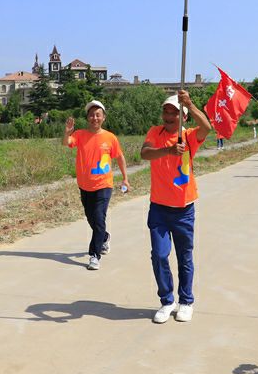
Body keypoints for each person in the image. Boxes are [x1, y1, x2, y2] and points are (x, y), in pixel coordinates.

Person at [140, 90, 211, 323]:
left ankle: (186, 301)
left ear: (183, 116)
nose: (169, 116)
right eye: (166, 112)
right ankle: (166, 301)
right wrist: (168, 151)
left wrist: (189, 103)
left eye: (174, 113)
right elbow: (145, 153)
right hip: (159, 207)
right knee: (159, 255)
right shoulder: (155, 132)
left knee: (184, 257)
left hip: (183, 208)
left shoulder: (189, 136)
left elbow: (207, 127)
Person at [63, 100, 129, 271]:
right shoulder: (80, 134)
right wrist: (67, 132)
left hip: (103, 185)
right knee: (92, 219)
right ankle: (105, 237)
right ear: (87, 118)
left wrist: (125, 178)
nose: (94, 117)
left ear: (103, 117)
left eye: (98, 114)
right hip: (85, 185)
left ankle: (94, 255)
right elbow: (66, 142)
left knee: (99, 218)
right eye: (91, 115)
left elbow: (120, 157)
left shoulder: (110, 138)